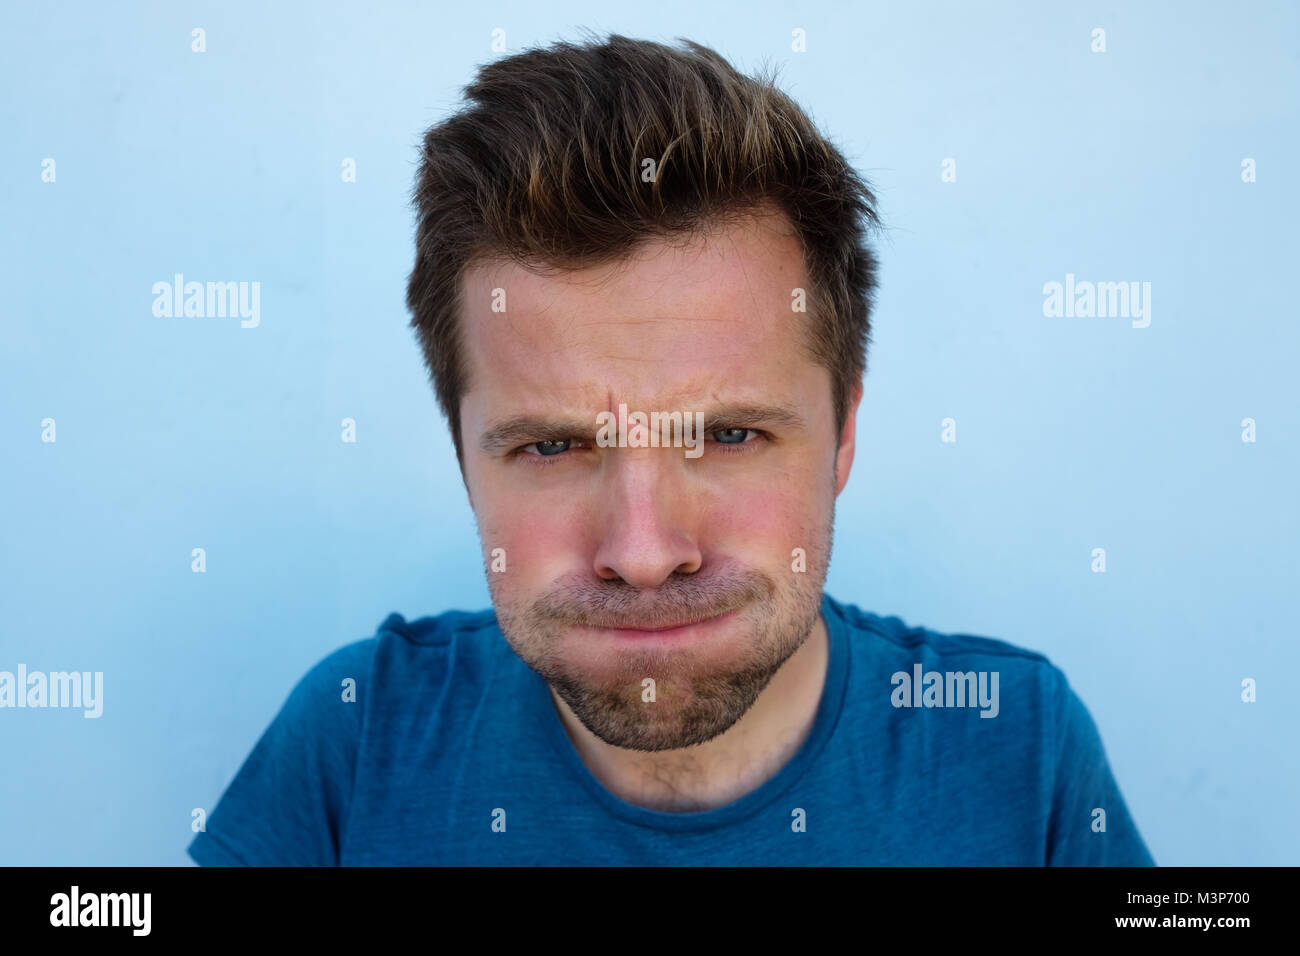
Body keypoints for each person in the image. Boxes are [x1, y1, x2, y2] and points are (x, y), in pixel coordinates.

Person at [188, 33, 1153, 866]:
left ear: (844, 435)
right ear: (462, 456)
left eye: (730, 435)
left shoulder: (1014, 747)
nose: (645, 555)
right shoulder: (355, 744)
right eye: (554, 447)